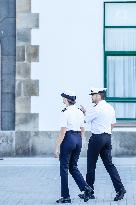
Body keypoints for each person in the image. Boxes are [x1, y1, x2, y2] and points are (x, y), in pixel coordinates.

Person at [79, 88, 126, 202]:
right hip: (107, 137)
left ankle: (89, 192)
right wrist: (106, 133)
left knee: (91, 166)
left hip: (97, 138)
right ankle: (120, 189)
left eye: (93, 95)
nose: (91, 97)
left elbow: (85, 120)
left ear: (99, 96)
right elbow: (113, 123)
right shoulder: (110, 107)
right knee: (109, 165)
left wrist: (83, 112)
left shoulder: (97, 108)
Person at [54, 90, 93, 203]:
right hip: (78, 139)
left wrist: (56, 147)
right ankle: (86, 188)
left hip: (69, 138)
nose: (62, 100)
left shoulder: (65, 112)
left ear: (66, 100)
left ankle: (66, 196)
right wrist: (82, 141)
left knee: (64, 168)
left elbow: (63, 131)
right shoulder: (79, 112)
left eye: (63, 98)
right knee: (73, 167)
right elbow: (82, 129)